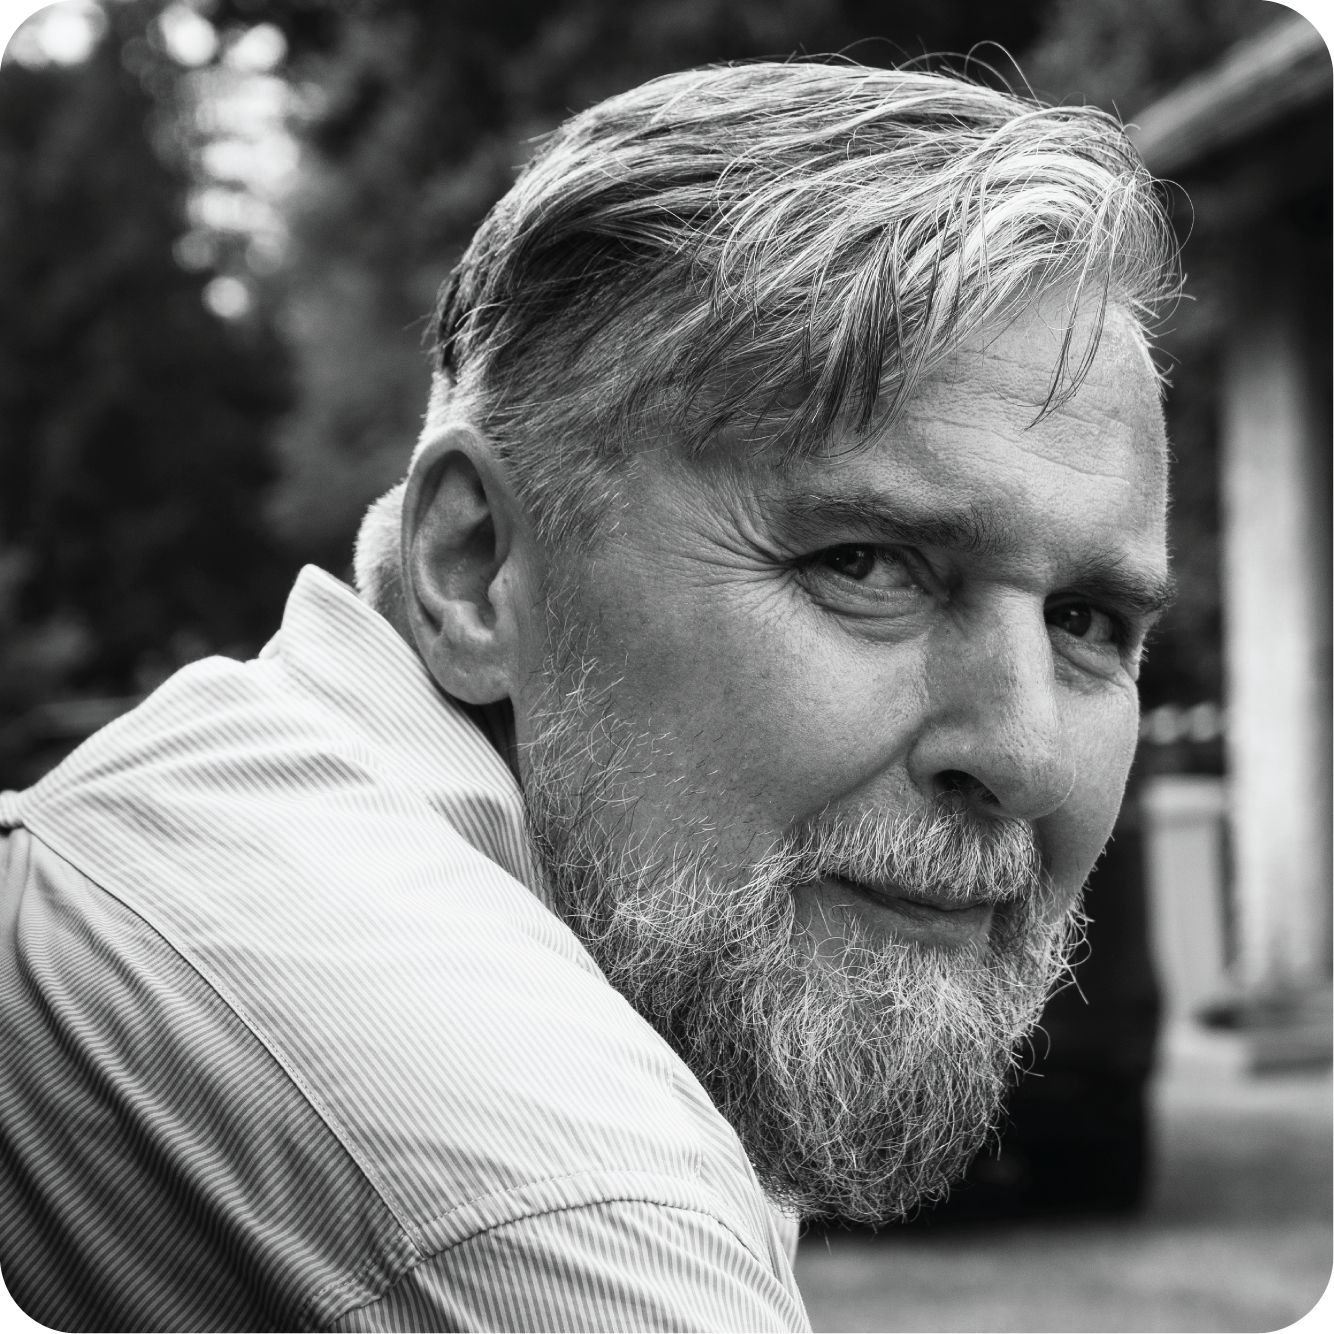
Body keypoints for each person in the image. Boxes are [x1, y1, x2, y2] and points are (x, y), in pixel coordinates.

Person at [0, 61, 1174, 1332]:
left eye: (1084, 622)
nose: (1023, 749)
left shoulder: (222, 815)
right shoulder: (559, 1200)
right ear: (474, 570)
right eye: (865, 565)